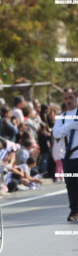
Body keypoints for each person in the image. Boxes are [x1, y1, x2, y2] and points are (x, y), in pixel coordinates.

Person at [53, 88, 78, 221]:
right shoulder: (62, 117)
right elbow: (56, 133)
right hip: (67, 157)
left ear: (76, 96)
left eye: (70, 97)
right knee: (71, 185)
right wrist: (69, 126)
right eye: (66, 98)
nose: (68, 101)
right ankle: (74, 211)